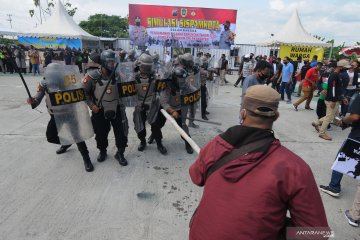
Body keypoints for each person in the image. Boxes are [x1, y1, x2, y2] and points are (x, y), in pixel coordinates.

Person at [189, 85, 329, 239]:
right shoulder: (294, 167)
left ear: (242, 113)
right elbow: (318, 233)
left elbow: (196, 176)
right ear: (276, 116)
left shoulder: (215, 146)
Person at [26, 63, 94, 172]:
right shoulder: (45, 83)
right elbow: (38, 98)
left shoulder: (69, 81)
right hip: (55, 115)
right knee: (51, 136)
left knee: (78, 137)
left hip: (70, 113)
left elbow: (79, 94)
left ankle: (87, 159)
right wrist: (33, 100)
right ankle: (66, 142)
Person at [83, 49, 129, 166]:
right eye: (109, 62)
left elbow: (127, 89)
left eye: (114, 62)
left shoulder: (118, 75)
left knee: (121, 132)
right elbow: (84, 93)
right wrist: (91, 105)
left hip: (117, 108)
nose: (112, 65)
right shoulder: (91, 77)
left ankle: (120, 152)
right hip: (99, 109)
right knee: (101, 133)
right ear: (103, 62)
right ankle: (102, 151)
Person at [319, 92, 360, 218]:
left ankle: (334, 187)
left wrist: (343, 120)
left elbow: (355, 117)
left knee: (341, 159)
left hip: (357, 138)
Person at [160, 53, 199, 154]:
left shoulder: (183, 79)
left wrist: (196, 93)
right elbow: (163, 100)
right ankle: (155, 137)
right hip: (167, 100)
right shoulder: (169, 75)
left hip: (179, 101)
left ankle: (188, 142)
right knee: (157, 123)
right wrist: (171, 111)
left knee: (182, 125)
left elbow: (187, 86)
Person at [133, 53, 167, 155]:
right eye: (145, 66)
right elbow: (129, 93)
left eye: (149, 66)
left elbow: (162, 89)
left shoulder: (155, 76)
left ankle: (159, 143)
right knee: (139, 125)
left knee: (156, 125)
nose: (147, 69)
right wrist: (136, 104)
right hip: (139, 104)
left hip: (152, 103)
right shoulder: (133, 77)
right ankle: (142, 141)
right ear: (140, 65)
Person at [312, 59, 351, 141]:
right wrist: (333, 100)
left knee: (331, 116)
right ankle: (322, 133)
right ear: (340, 67)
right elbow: (333, 89)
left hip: (334, 99)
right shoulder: (335, 75)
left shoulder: (337, 75)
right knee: (329, 117)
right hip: (332, 100)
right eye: (345, 68)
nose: (347, 69)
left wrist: (342, 98)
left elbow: (338, 89)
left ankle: (316, 123)